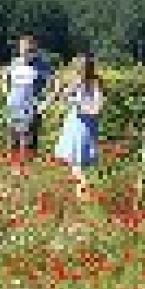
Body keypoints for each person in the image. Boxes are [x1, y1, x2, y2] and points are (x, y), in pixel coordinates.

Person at [53, 54, 103, 197]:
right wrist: (59, 91)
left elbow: (97, 108)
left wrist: (78, 104)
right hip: (74, 122)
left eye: (79, 68)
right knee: (74, 160)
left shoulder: (95, 84)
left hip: (84, 124)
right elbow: (63, 98)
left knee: (79, 160)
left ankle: (84, 189)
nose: (77, 70)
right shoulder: (76, 82)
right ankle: (81, 190)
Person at [2, 34, 56, 162]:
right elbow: (5, 77)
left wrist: (46, 103)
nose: (26, 52)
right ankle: (13, 169)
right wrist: (6, 94)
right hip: (14, 107)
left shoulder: (42, 66)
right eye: (23, 49)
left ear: (35, 49)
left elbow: (55, 84)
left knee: (29, 141)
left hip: (32, 108)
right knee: (13, 139)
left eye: (29, 50)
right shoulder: (14, 63)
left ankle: (29, 172)